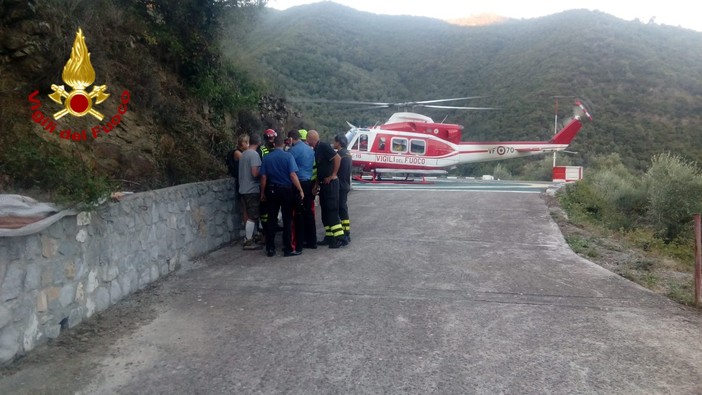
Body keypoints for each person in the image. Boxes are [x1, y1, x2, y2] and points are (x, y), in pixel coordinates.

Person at [260, 134, 305, 257]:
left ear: (274, 144)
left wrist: (263, 193)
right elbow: (293, 175)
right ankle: (287, 248)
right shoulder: (288, 156)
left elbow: (263, 177)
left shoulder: (267, 158)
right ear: (284, 144)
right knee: (287, 220)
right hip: (286, 191)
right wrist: (300, 190)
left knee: (271, 220)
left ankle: (270, 248)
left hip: (272, 191)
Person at [307, 130, 346, 248]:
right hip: (323, 184)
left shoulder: (323, 146)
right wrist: (316, 185)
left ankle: (340, 238)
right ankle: (329, 237)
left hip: (331, 184)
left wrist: (333, 175)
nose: (307, 142)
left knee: (331, 210)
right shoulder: (316, 149)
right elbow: (320, 170)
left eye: (308, 140)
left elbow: (337, 158)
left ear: (310, 139)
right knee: (325, 212)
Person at [288, 130, 317, 249]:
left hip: (298, 184)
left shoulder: (292, 151)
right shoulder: (310, 150)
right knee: (309, 213)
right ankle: (312, 241)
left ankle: (300, 241)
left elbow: (290, 169)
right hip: (309, 182)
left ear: (290, 139)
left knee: (298, 213)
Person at [238, 133, 263, 250]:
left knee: (247, 215)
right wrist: (263, 172)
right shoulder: (254, 155)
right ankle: (248, 240)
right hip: (252, 189)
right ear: (258, 143)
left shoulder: (243, 154)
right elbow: (254, 173)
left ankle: (252, 236)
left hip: (243, 188)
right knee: (253, 216)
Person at [334, 134, 352, 244]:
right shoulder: (348, 154)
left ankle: (342, 234)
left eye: (334, 141)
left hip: (339, 185)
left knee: (339, 209)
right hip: (346, 184)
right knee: (343, 209)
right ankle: (346, 232)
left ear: (339, 142)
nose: (333, 143)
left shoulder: (339, 154)